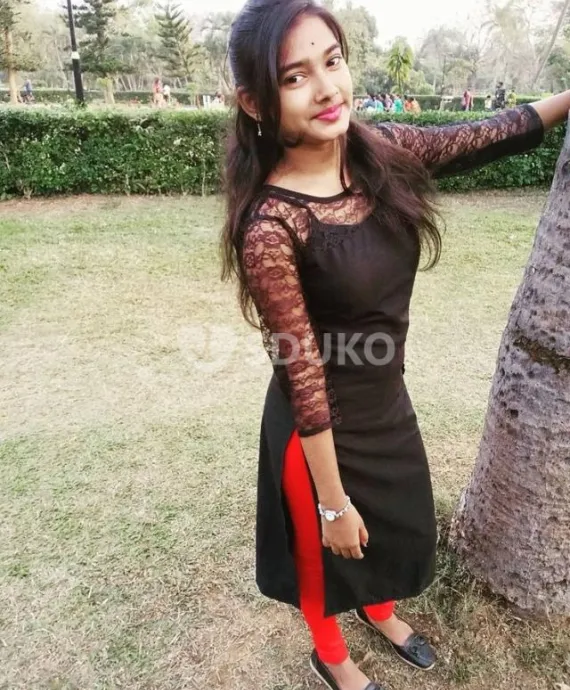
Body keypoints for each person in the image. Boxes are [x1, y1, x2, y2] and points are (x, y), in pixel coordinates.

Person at [221, 1, 569, 688]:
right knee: (324, 553)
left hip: (385, 403)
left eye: (332, 61)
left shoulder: (378, 153)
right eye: (295, 77)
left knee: (387, 527)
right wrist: (331, 501)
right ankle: (331, 656)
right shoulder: (271, 226)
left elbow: (487, 133)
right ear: (255, 102)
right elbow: (302, 375)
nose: (327, 88)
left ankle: (379, 609)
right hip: (316, 430)